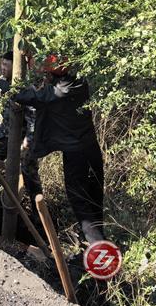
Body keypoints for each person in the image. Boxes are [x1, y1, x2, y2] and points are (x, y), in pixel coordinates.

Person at [13, 54, 105, 243]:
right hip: (91, 149)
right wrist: (31, 60)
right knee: (94, 199)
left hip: (76, 155)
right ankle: (96, 247)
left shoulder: (60, 91)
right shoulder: (79, 82)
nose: (45, 76)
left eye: (48, 72)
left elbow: (26, 96)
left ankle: (99, 255)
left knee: (80, 203)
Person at [0, 51, 43, 209]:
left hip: (24, 138)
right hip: (4, 134)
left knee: (29, 174)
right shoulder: (1, 81)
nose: (2, 67)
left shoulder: (26, 88)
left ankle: (38, 213)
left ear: (17, 66)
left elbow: (34, 118)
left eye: (6, 64)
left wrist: (29, 141)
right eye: (2, 64)